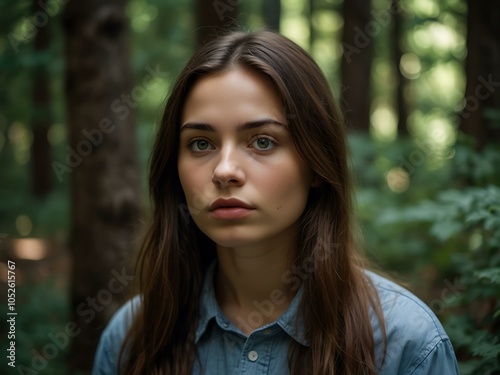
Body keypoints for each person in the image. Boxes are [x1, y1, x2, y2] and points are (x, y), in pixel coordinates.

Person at [92, 30, 460, 375]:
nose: (224, 170)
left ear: (317, 164)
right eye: (201, 143)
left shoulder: (406, 344)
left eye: (263, 141)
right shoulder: (132, 337)